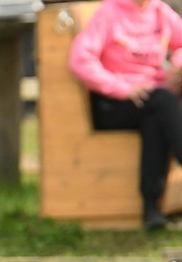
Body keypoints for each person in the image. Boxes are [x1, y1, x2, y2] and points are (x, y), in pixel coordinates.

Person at [70, 0, 182, 229]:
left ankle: (151, 209)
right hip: (113, 104)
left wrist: (178, 67)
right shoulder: (109, 13)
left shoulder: (159, 11)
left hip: (153, 101)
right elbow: (80, 60)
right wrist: (122, 88)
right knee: (163, 102)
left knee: (156, 118)